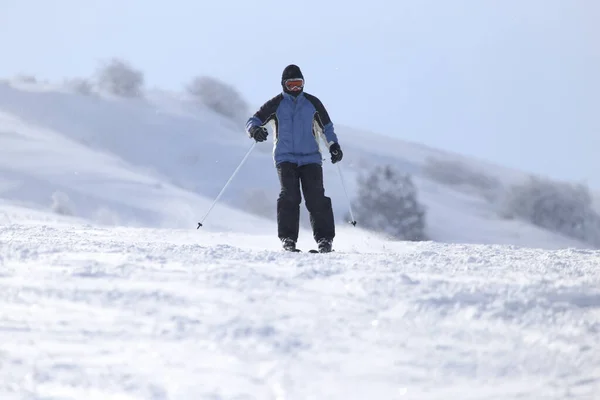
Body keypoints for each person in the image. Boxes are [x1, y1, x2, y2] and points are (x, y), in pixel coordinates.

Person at [245, 64, 343, 253]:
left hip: (311, 159)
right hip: (285, 158)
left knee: (316, 197)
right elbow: (253, 120)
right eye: (292, 85)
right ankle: (288, 239)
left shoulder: (312, 103)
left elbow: (327, 128)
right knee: (289, 196)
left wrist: (334, 146)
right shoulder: (276, 104)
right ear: (284, 85)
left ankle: (324, 240)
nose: (296, 89)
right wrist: (255, 131)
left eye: (299, 84)